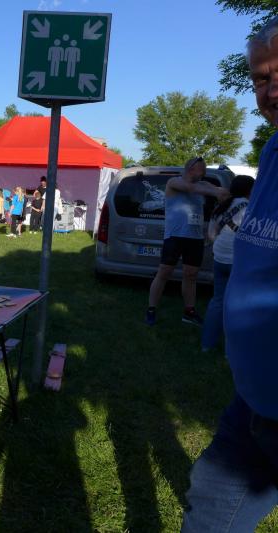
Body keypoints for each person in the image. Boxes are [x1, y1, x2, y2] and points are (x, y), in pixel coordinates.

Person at [182, 17, 278, 531]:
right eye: (262, 78)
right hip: (254, 401)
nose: (272, 90)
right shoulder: (273, 151)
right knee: (211, 510)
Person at [145, 157, 228, 327]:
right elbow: (190, 188)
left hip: (195, 238)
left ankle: (189, 312)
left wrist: (224, 193)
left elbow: (221, 191)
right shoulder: (174, 182)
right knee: (164, 272)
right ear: (190, 168)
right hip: (175, 237)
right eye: (201, 169)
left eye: (204, 169)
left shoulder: (203, 184)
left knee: (191, 275)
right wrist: (215, 192)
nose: (203, 172)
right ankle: (151, 309)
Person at [200, 175, 254, 352]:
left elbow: (211, 235)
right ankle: (233, 349)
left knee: (217, 301)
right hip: (238, 262)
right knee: (239, 304)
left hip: (219, 258)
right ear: (249, 190)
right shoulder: (250, 208)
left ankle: (207, 344)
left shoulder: (221, 207)